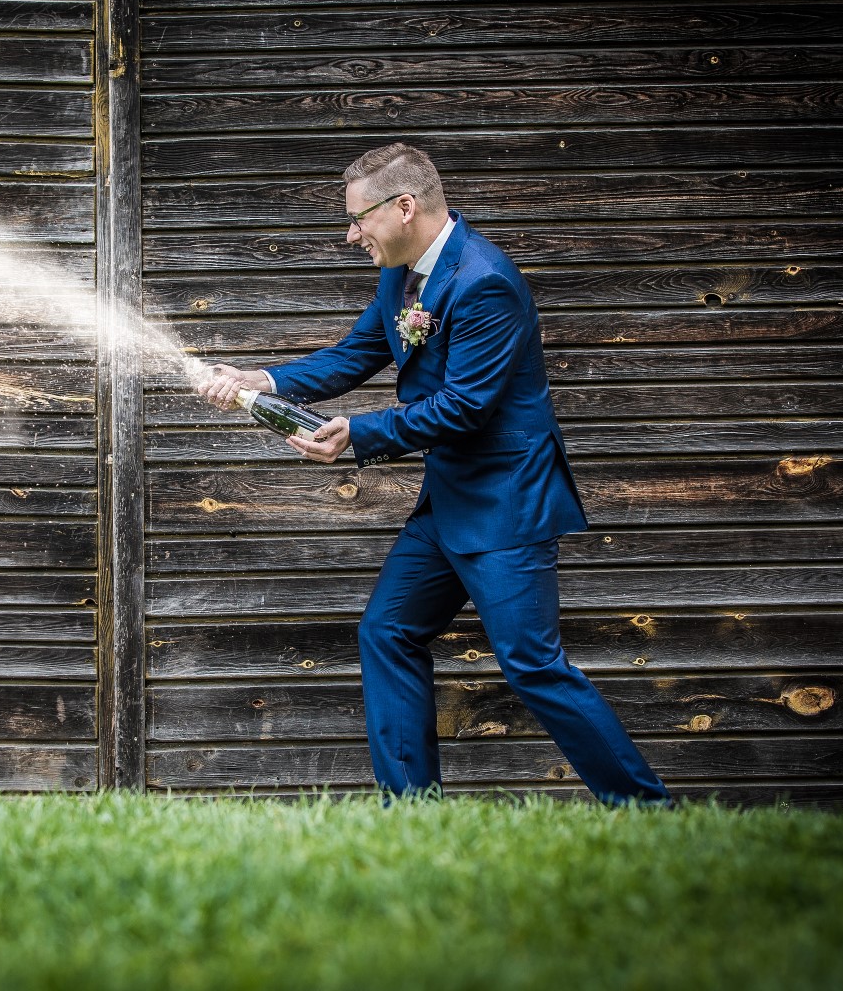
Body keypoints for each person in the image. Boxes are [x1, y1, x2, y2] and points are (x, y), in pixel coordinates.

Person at [198, 143, 669, 805]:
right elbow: (358, 352)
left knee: (533, 665)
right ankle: (411, 814)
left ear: (405, 207)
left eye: (359, 218)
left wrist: (357, 434)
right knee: (388, 631)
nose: (351, 233)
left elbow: (466, 407)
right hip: (448, 500)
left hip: (505, 504)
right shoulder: (404, 273)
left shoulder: (486, 283)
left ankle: (648, 808)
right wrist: (264, 378)